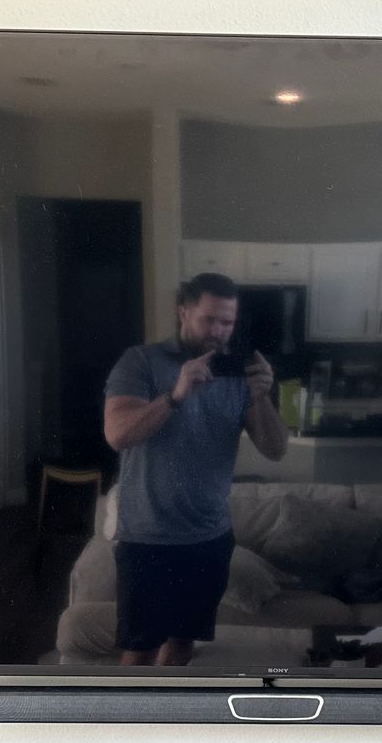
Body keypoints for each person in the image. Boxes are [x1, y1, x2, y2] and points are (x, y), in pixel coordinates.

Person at [102, 273, 289, 666]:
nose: (218, 331)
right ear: (183, 312)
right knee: (140, 652)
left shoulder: (240, 373)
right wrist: (175, 395)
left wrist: (261, 397)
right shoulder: (140, 362)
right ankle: (132, 710)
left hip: (210, 538)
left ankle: (170, 707)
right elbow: (118, 434)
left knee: (183, 644)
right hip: (148, 537)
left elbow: (275, 450)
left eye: (227, 322)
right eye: (209, 319)